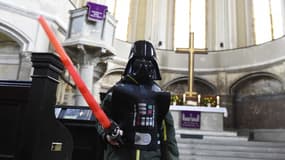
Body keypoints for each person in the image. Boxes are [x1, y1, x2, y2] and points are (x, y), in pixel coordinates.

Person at [95, 40, 179, 160]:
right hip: (119, 155)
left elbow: (168, 134)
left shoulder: (159, 95)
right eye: (139, 61)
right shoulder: (117, 92)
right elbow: (101, 118)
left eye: (148, 62)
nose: (143, 66)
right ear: (132, 63)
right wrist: (107, 134)